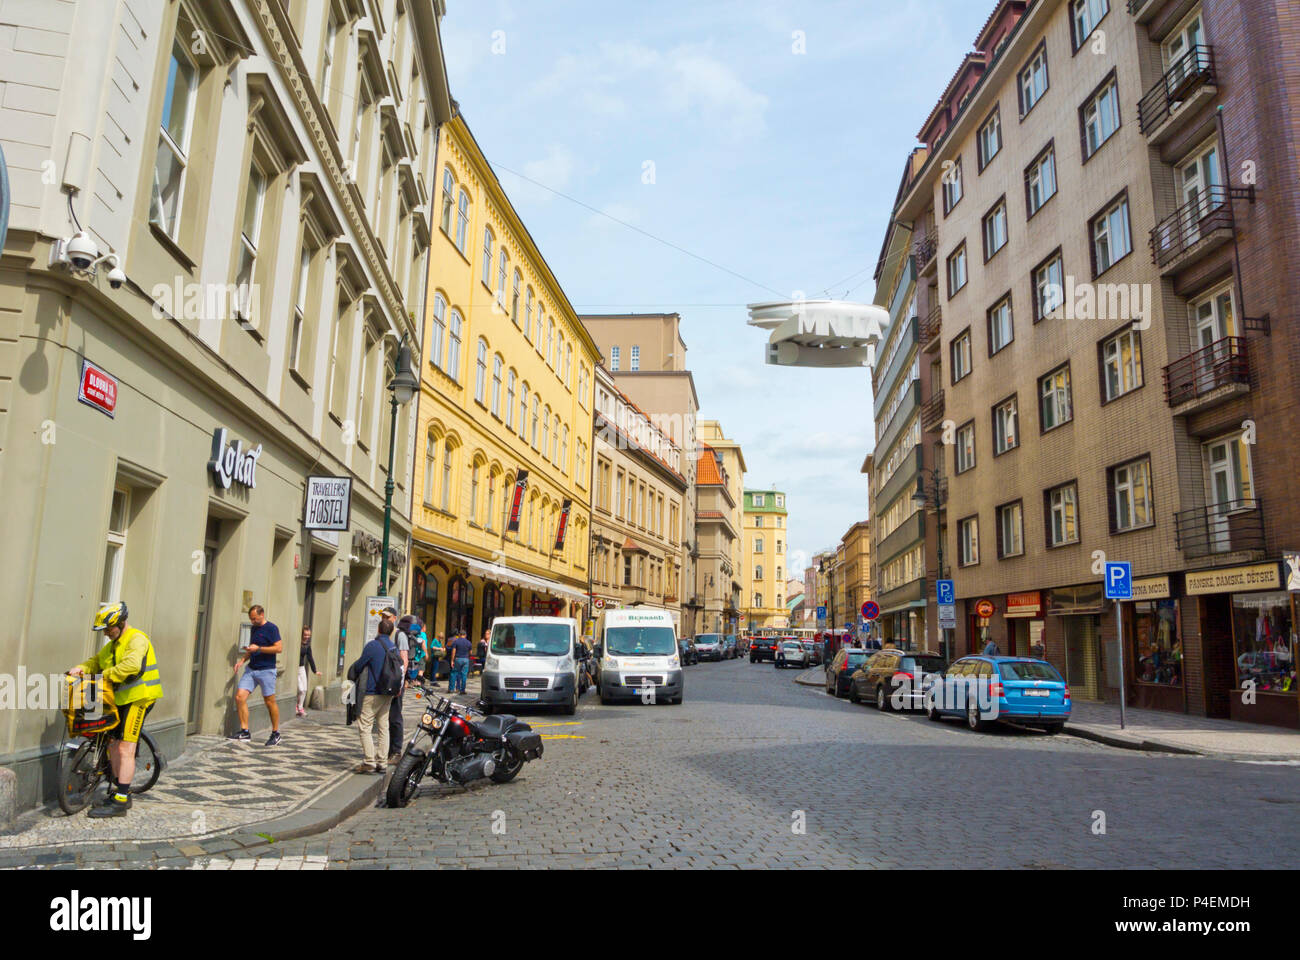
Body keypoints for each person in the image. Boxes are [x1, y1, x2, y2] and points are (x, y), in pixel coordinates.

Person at [66, 602, 163, 817]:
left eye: (109, 629)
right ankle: (119, 790)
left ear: (119, 624)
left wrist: (103, 676)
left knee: (125, 748)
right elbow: (96, 661)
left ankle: (121, 801)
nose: (107, 634)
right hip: (119, 699)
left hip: (139, 698)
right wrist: (81, 668)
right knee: (112, 744)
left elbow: (131, 666)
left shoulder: (137, 639)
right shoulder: (113, 645)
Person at [351, 619, 398, 774]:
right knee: (384, 726)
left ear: (378, 630)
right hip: (388, 692)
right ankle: (382, 762)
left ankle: (369, 761)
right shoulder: (393, 647)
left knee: (365, 725)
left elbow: (359, 666)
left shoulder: (372, 646)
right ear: (391, 632)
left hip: (372, 691)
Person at [231, 604, 283, 746]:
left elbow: (279, 648)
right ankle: (245, 731)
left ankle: (276, 733)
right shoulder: (254, 628)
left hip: (267, 670)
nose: (253, 621)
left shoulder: (272, 628)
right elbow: (252, 647)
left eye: (254, 618)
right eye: (251, 619)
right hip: (251, 669)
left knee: (269, 701)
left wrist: (259, 648)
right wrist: (242, 660)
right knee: (239, 697)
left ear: (262, 614)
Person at [385, 608, 411, 764]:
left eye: (387, 617)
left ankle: (396, 751)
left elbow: (404, 660)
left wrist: (399, 683)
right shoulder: (383, 633)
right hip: (384, 682)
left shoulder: (399, 635)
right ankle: (386, 751)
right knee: (384, 718)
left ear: (394, 618)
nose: (385, 618)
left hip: (395, 683)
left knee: (395, 717)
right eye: (383, 616)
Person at [296, 626, 321, 717]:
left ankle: (300, 708)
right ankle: (298, 706)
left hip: (301, 668)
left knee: (304, 689)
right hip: (296, 668)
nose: (307, 637)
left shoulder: (307, 645)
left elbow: (310, 658)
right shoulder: (297, 643)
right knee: (300, 689)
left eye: (308, 635)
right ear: (302, 634)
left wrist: (315, 671)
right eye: (305, 635)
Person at [448, 629, 472, 694]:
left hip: (458, 659)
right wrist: (467, 657)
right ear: (465, 635)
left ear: (459, 635)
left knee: (454, 673)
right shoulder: (469, 642)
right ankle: (462, 690)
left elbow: (453, 651)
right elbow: (470, 653)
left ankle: (451, 689)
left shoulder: (456, 641)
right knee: (464, 675)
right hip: (466, 659)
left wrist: (452, 660)